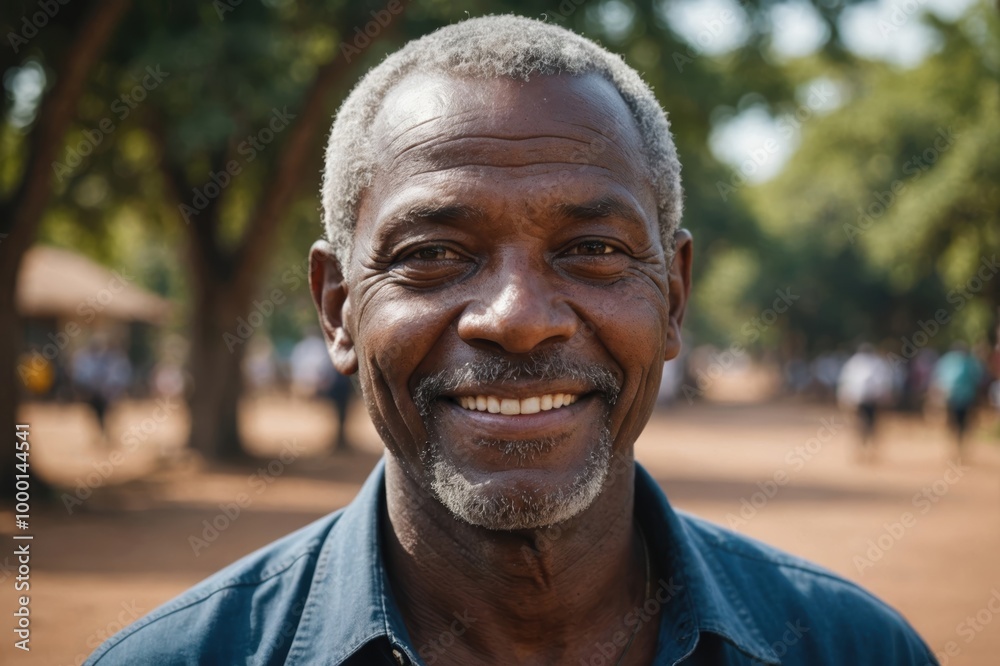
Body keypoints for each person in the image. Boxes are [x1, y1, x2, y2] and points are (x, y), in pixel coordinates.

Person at [86, 16, 936, 665]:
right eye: (431, 255)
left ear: (673, 297)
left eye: (593, 251)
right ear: (337, 308)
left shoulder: (853, 647)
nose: (520, 316)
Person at [836, 342, 894, 461]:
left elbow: (845, 382)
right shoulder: (876, 363)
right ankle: (866, 449)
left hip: (861, 400)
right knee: (869, 425)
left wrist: (844, 398)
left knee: (862, 425)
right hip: (869, 400)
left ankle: (864, 449)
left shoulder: (854, 363)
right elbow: (883, 382)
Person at [931, 342, 983, 458]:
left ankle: (960, 447)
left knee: (962, 423)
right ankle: (956, 447)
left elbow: (977, 379)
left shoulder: (968, 363)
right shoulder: (950, 362)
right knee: (955, 423)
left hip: (965, 398)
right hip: (953, 398)